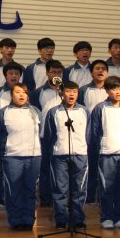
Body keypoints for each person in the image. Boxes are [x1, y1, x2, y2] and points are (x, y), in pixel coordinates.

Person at [0, 83, 42, 231]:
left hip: (33, 156)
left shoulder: (35, 111)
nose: (22, 95)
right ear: (11, 95)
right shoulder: (3, 113)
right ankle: (15, 220)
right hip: (12, 157)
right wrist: (3, 155)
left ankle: (28, 219)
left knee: (30, 189)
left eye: (24, 92)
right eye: (18, 92)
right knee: (13, 190)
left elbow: (41, 134)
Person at [44, 81, 89, 230]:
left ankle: (78, 218)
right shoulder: (54, 112)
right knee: (60, 188)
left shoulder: (84, 111)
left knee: (79, 188)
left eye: (74, 92)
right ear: (62, 93)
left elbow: (89, 133)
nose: (71, 94)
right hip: (59, 155)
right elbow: (49, 135)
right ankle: (61, 219)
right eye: (68, 91)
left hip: (80, 154)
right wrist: (54, 149)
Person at [90, 76, 120, 230]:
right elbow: (94, 132)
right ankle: (106, 217)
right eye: (114, 89)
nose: (117, 92)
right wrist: (99, 150)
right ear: (107, 91)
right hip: (107, 154)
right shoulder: (100, 108)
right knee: (106, 187)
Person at [0, 61, 24, 206]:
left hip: (20, 137)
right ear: (5, 75)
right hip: (2, 137)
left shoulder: (25, 92)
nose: (14, 76)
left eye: (16, 73)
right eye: (10, 73)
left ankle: (18, 197)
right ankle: (2, 198)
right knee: (1, 169)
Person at [30, 59, 64, 206]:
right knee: (45, 167)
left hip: (64, 136)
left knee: (62, 169)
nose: (56, 75)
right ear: (47, 73)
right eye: (53, 72)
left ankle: (61, 198)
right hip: (45, 135)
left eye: (59, 72)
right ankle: (45, 197)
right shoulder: (39, 92)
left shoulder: (67, 90)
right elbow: (34, 113)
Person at [77, 59, 109, 201]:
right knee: (90, 165)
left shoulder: (113, 90)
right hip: (89, 133)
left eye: (103, 69)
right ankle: (89, 196)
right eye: (97, 68)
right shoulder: (84, 90)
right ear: (91, 73)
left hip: (108, 133)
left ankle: (104, 196)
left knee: (106, 167)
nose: (100, 71)